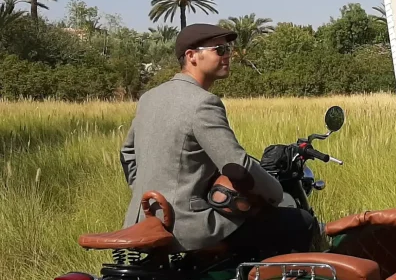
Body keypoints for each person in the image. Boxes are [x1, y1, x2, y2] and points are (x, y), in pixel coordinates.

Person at [119, 23, 317, 259]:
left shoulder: (149, 97)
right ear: (192, 56)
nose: (228, 55)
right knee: (299, 221)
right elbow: (236, 165)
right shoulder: (203, 103)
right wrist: (275, 192)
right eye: (220, 49)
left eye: (229, 49)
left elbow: (127, 154)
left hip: (142, 219)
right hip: (185, 226)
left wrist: (150, 195)